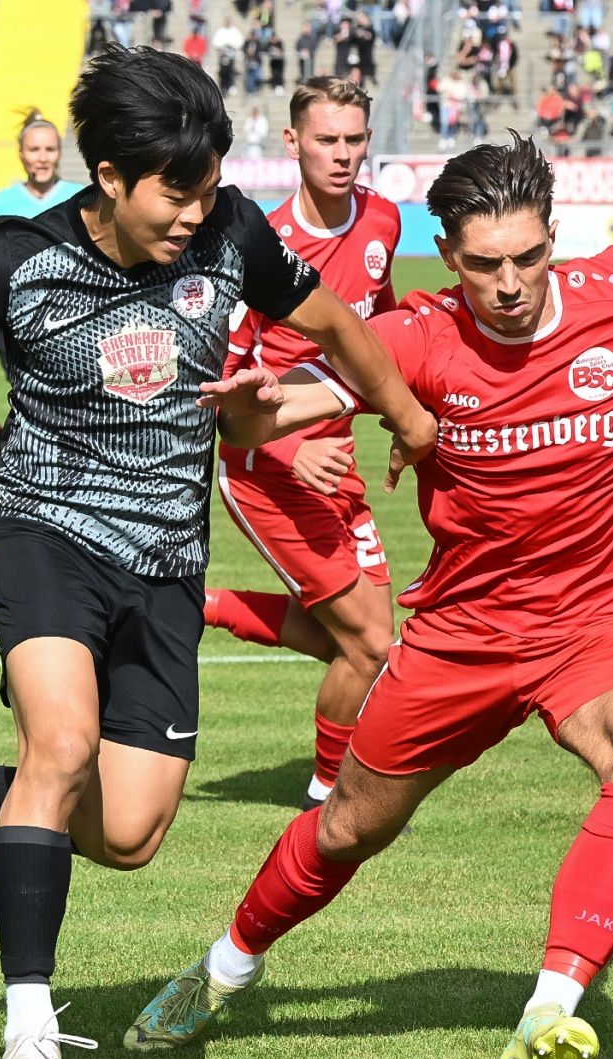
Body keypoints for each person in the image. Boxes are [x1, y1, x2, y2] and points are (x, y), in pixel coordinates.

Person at [0, 45, 434, 1059]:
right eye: (176, 193)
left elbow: (338, 326)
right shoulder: (14, 257)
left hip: (168, 562)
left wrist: (406, 417)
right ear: (111, 177)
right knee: (62, 746)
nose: (195, 213)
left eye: (209, 188)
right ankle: (29, 1029)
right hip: (44, 533)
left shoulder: (233, 233)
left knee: (127, 834)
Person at [123, 136, 613, 1059]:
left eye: (527, 257)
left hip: (598, 622)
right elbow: (278, 411)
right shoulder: (412, 339)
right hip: (462, 637)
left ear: (554, 238)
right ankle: (224, 966)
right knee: (347, 828)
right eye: (483, 264)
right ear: (446, 254)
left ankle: (550, 1009)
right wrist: (251, 412)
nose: (509, 284)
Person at [204, 76, 401, 813]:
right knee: (371, 644)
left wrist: (400, 412)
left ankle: (204, 605)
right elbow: (221, 397)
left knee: (355, 643)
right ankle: (327, 794)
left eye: (354, 139)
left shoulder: (382, 220)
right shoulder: (264, 247)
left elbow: (380, 329)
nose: (342, 154)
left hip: (337, 465)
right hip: (263, 469)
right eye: (326, 140)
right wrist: (291, 452)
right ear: (292, 143)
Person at [0, 110, 88, 482]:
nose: (42, 157)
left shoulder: (80, 198)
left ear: (60, 152)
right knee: (36, 393)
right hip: (13, 321)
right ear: (21, 153)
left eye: (49, 149)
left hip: (73, 316)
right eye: (35, 149)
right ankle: (32, 470)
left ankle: (7, 449)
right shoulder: (0, 204)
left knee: (73, 397)